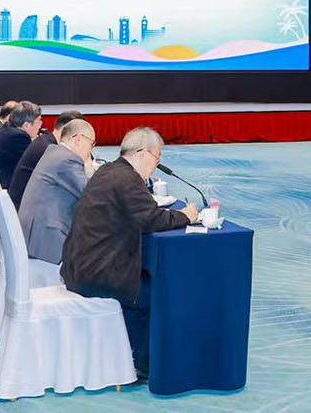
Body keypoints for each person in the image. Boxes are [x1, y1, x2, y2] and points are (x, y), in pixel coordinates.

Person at [61, 128, 198, 375]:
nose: (156, 166)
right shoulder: (127, 180)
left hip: (79, 265)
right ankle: (142, 364)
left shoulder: (109, 171)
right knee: (161, 291)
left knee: (149, 278)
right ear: (143, 153)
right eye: (157, 158)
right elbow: (151, 219)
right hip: (95, 273)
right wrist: (185, 216)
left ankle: (132, 354)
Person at [18, 117, 96, 265]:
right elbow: (91, 194)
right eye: (92, 144)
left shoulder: (54, 151)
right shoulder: (68, 160)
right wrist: (90, 170)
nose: (91, 150)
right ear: (78, 139)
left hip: (34, 233)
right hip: (46, 239)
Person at [12, 110, 81, 209]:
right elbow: (78, 187)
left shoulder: (46, 140)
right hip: (27, 208)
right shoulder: (49, 149)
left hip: (23, 204)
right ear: (66, 130)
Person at [0, 101, 44, 190]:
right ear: (26, 125)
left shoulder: (7, 131)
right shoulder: (18, 138)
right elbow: (35, 164)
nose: (40, 126)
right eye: (39, 121)